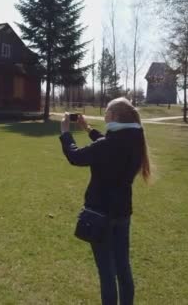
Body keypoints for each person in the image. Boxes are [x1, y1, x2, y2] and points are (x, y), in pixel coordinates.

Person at [59, 97, 151, 305]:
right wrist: (88, 129)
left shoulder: (108, 145)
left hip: (100, 215)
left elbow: (75, 156)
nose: (105, 115)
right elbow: (108, 146)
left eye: (107, 112)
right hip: (122, 213)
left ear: (115, 117)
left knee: (107, 273)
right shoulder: (135, 139)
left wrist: (65, 132)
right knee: (123, 269)